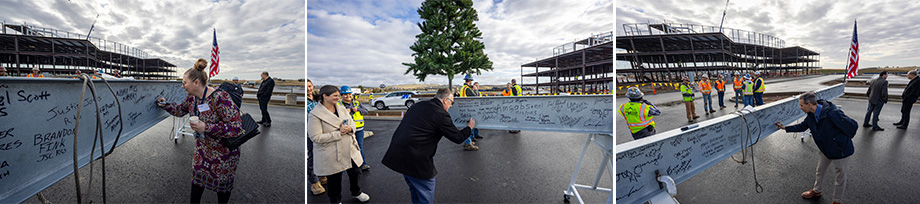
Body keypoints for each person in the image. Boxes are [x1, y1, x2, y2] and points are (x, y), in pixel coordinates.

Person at [156, 59, 242, 203]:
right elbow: (179, 110)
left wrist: (206, 127)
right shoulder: (192, 98)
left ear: (196, 83)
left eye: (184, 83)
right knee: (197, 183)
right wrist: (164, 105)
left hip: (224, 155)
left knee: (222, 189)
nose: (182, 86)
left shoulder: (221, 97)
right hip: (202, 151)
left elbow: (236, 127)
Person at [382, 88, 476, 204]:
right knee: (425, 192)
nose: (451, 106)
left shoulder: (419, 105)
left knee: (415, 190)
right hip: (415, 159)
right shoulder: (441, 114)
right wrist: (469, 127)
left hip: (398, 154)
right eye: (452, 103)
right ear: (445, 100)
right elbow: (457, 138)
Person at [775, 92, 854, 204]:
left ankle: (837, 201)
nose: (800, 107)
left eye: (802, 105)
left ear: (810, 104)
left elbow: (852, 126)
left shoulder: (832, 113)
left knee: (840, 176)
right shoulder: (811, 115)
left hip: (840, 150)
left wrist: (838, 140)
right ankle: (817, 191)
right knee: (820, 170)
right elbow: (802, 126)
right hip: (825, 149)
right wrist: (785, 128)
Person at [308, 85, 371, 203]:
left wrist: (350, 129)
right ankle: (335, 201)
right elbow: (315, 137)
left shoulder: (341, 108)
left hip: (349, 148)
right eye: (335, 95)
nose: (338, 98)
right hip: (331, 151)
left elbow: (352, 123)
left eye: (338, 95)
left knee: (356, 172)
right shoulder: (315, 114)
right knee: (334, 179)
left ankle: (356, 192)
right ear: (325, 96)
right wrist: (339, 133)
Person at [339, 86, 371, 170]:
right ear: (341, 95)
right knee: (346, 148)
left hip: (359, 129)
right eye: (345, 94)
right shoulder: (339, 105)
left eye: (349, 94)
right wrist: (346, 113)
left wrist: (358, 109)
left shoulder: (357, 103)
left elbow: (366, 111)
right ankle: (348, 165)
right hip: (347, 130)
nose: (348, 96)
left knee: (359, 147)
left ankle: (362, 164)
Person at [306, 79, 326, 196]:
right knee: (313, 157)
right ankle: (314, 183)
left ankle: (322, 174)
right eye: (305, 87)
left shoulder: (318, 99)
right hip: (311, 134)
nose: (308, 89)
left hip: (323, 132)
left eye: (309, 86)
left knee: (323, 154)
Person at [457, 75, 480, 150]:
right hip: (468, 109)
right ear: (469, 81)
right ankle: (468, 143)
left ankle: (468, 141)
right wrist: (476, 89)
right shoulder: (467, 88)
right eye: (471, 81)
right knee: (469, 126)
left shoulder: (463, 88)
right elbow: (475, 96)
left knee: (467, 126)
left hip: (464, 109)